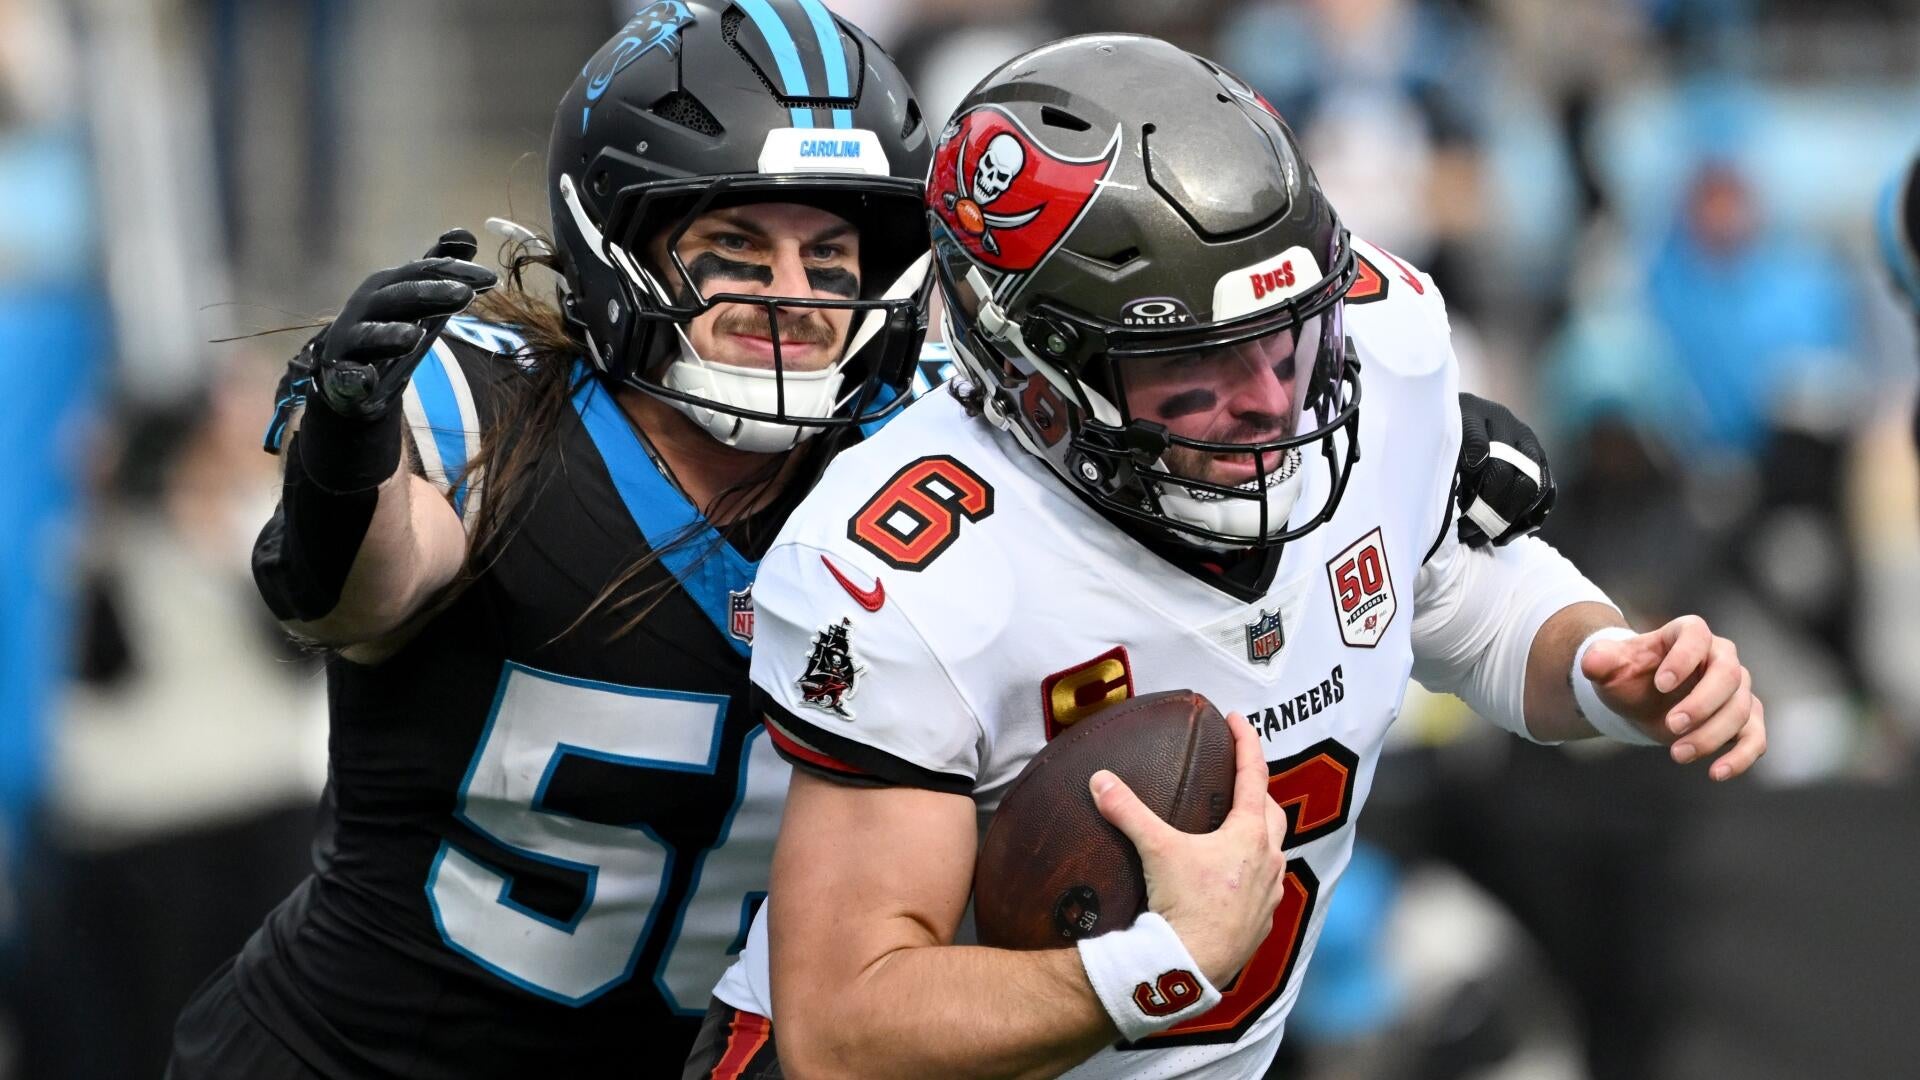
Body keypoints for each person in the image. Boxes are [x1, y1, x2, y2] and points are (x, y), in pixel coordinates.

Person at [697, 35, 1764, 1078]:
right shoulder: (915, 568)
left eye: (1286, 335)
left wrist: (1601, 667)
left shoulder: (1374, 353)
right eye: (1194, 361)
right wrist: (1159, 968)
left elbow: (1449, 596)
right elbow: (845, 1031)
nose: (1267, 398)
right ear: (1036, 376)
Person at [166, 2, 938, 1076]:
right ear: (622, 247)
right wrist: (346, 444)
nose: (792, 296)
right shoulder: (487, 406)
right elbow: (350, 594)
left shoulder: (914, 460)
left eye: (831, 256)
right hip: (355, 1056)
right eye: (735, 249)